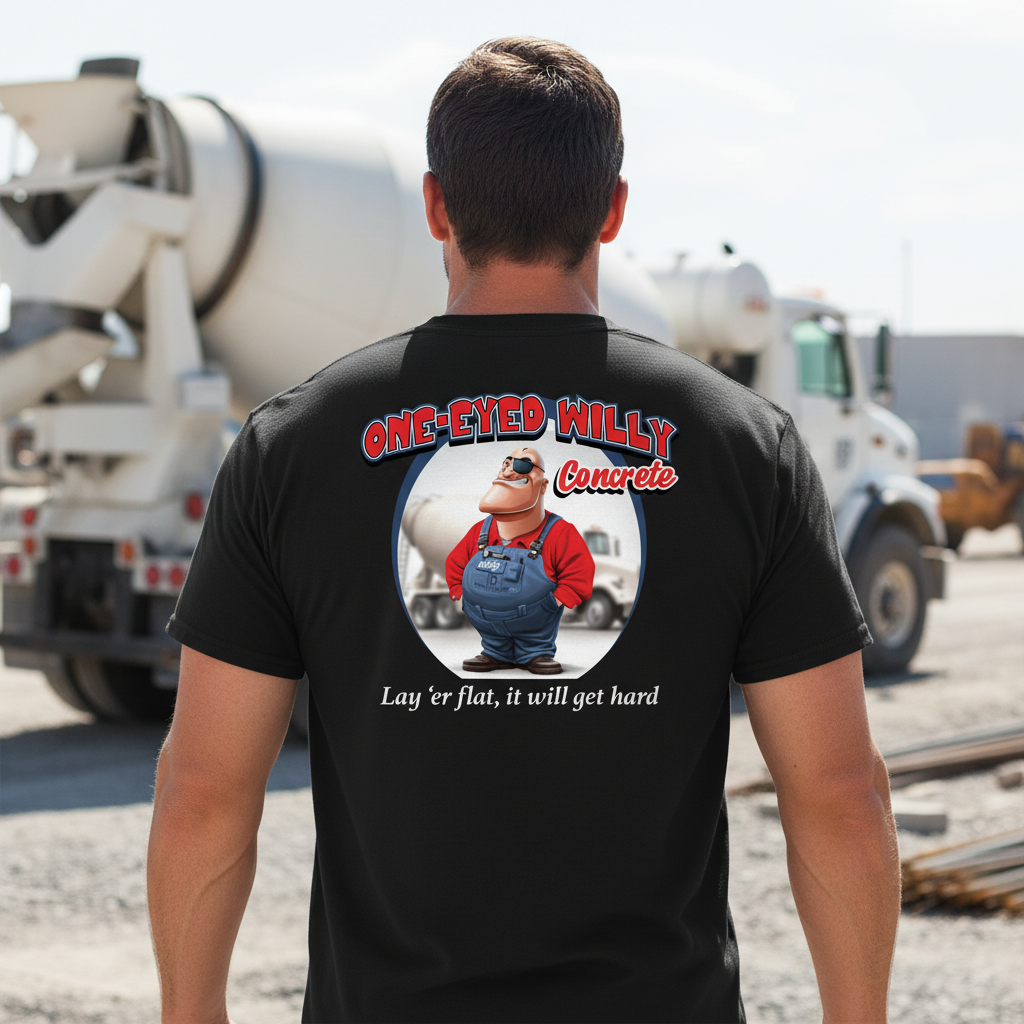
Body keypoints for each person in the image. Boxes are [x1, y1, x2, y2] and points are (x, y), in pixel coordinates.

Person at [148, 37, 900, 1024]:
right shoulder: (741, 445)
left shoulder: (293, 445)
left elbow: (205, 793)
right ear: (613, 211)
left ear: (433, 206)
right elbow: (838, 792)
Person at [445, 446, 595, 675]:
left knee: (536, 646)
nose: (509, 470)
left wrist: (557, 600)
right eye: (506, 463)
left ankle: (534, 653)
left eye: (522, 465)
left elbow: (579, 571)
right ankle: (495, 653)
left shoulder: (559, 532)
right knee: (493, 646)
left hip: (535, 620)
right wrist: (462, 594)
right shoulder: (480, 531)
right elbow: (456, 562)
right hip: (485, 621)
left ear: (542, 485)